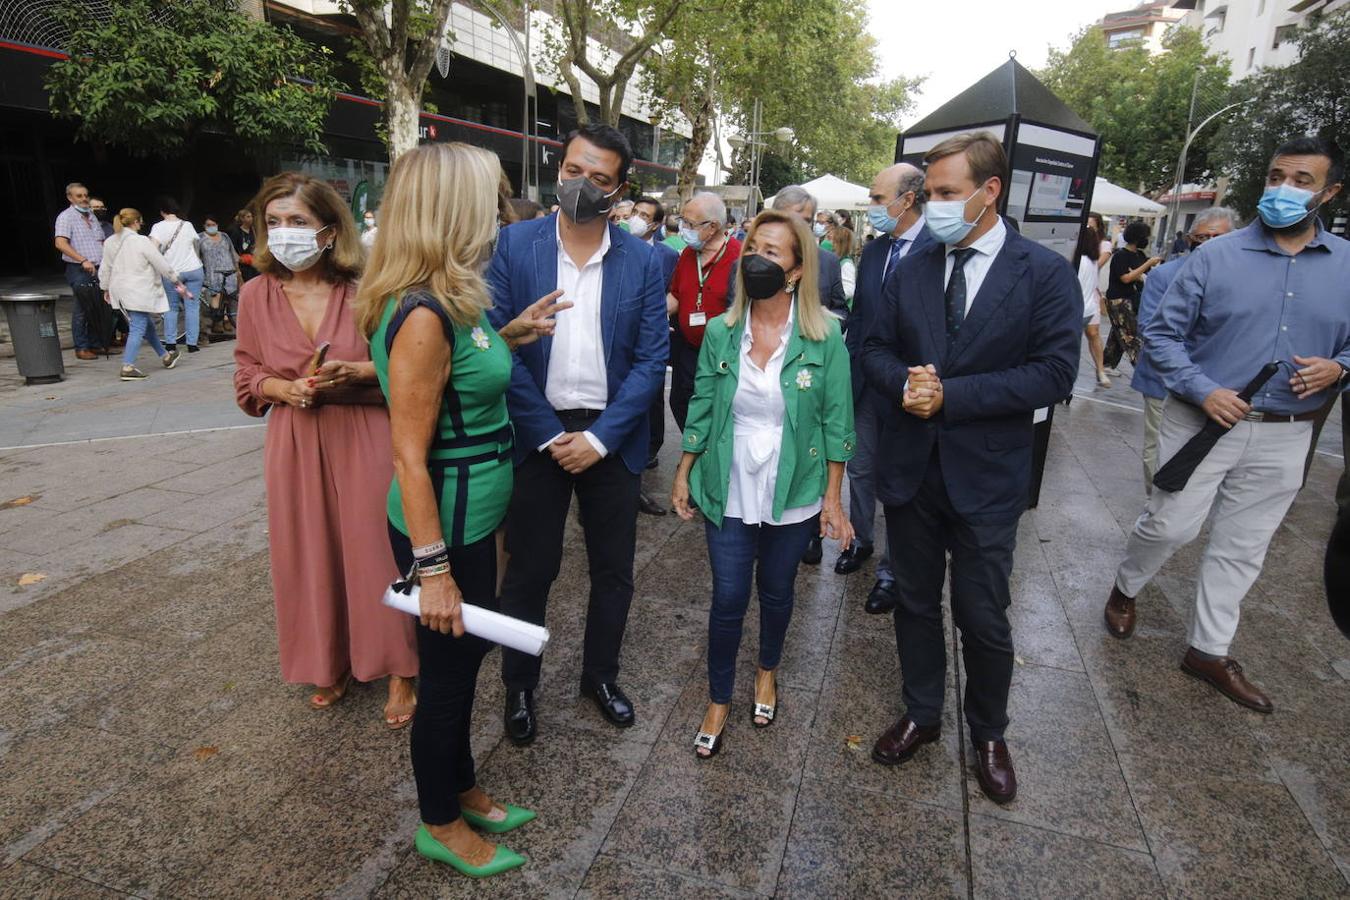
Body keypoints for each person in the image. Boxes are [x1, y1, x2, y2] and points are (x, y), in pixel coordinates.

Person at [357, 143, 570, 879]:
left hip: (473, 517)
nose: (499, 212)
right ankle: (439, 821)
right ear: (451, 208)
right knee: (446, 680)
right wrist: (434, 571)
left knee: (463, 667)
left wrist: (512, 334)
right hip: (441, 526)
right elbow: (409, 456)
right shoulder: (420, 312)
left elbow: (459, 373)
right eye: (490, 197)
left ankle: (465, 789)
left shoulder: (452, 296)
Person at [862, 132, 1081, 804]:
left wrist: (951, 395)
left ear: (990, 193)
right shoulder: (915, 264)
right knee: (916, 604)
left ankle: (989, 731)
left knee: (983, 614)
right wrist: (904, 383)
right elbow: (871, 344)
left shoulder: (1042, 274)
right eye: (929, 195)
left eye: (948, 194)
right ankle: (922, 714)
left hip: (986, 478)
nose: (934, 207)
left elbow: (1054, 372)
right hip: (911, 470)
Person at [1104, 137, 1348, 714]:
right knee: (1170, 526)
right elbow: (1159, 336)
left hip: (1289, 430)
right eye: (1276, 175)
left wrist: (1340, 365)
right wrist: (1204, 389)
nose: (1284, 189)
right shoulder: (1216, 257)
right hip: (1203, 424)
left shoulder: (1346, 265)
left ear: (1330, 192)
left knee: (1243, 546)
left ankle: (1208, 651)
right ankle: (1126, 586)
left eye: (1302, 180)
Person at [487, 124, 669, 745]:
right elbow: (499, 344)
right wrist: (544, 431)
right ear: (557, 168)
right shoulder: (513, 246)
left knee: (613, 569)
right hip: (537, 432)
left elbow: (651, 361)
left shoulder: (643, 259)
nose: (580, 185)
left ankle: (601, 676)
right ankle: (519, 685)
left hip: (610, 436)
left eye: (598, 178)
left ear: (618, 189)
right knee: (530, 570)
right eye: (572, 170)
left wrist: (600, 439)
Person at [232, 171, 418, 728]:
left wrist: (355, 374)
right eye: (274, 223)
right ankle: (327, 660)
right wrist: (279, 387)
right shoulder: (255, 294)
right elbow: (246, 370)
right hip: (294, 437)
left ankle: (400, 667)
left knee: (374, 550)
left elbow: (407, 370)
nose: (283, 233)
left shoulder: (369, 290)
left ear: (330, 230)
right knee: (307, 550)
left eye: (297, 222)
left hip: (363, 430)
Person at [672, 209, 855, 757]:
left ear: (797, 270)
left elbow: (837, 422)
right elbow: (701, 405)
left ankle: (768, 670)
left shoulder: (826, 339)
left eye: (772, 252)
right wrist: (683, 471)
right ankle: (719, 697)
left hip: (794, 482)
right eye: (753, 246)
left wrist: (832, 498)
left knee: (777, 591)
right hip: (726, 478)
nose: (756, 259)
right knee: (728, 595)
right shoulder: (724, 332)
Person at [842, 162, 931, 613]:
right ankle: (859, 541)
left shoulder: (939, 249)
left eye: (878, 199)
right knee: (859, 469)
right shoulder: (875, 251)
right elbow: (860, 319)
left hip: (909, 390)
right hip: (864, 386)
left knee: (898, 481)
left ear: (907, 199)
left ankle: (893, 572)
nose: (872, 206)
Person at [1131, 207, 1241, 489]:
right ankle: (1154, 503)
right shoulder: (1165, 275)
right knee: (1158, 448)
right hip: (1165, 380)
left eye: (1216, 236)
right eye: (1200, 237)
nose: (1207, 243)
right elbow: (1149, 327)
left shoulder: (1246, 278)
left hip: (1223, 385)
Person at [770, 186, 851, 564]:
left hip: (811, 369)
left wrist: (822, 326)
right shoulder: (754, 256)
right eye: (796, 217)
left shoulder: (827, 260)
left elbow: (839, 306)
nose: (804, 225)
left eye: (808, 218)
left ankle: (810, 532)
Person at [667, 192, 742, 432]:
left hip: (723, 352)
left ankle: (708, 460)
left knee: (715, 411)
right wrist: (650, 316)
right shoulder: (689, 254)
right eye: (683, 221)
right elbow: (676, 295)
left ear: (713, 227)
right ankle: (694, 453)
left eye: (690, 224)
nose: (683, 229)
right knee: (680, 401)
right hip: (688, 349)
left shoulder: (739, 256)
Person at [629, 195, 680, 514]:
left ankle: (648, 453)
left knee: (650, 400)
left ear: (657, 224)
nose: (636, 218)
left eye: (644, 215)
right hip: (620, 343)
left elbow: (674, 294)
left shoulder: (667, 256)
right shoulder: (615, 244)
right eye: (635, 211)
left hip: (652, 341)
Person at [98, 208, 186, 380]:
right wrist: (175, 279)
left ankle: (166, 356)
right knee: (138, 326)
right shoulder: (141, 241)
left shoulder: (109, 241)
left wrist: (105, 288)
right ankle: (128, 366)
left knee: (146, 324)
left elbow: (105, 267)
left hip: (119, 290)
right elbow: (160, 262)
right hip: (138, 289)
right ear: (136, 222)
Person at [53, 181, 105, 360]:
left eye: (85, 195)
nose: (84, 199)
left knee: (96, 306)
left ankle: (95, 344)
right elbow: (60, 243)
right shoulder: (66, 217)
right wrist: (82, 259)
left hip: (97, 266)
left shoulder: (91, 215)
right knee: (82, 308)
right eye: (79, 196)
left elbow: (100, 240)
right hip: (79, 268)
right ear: (70, 197)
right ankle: (81, 347)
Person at [1102, 221, 1161, 374]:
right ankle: (1143, 370)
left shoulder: (1139, 255)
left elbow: (1143, 276)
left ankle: (1106, 365)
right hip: (1118, 300)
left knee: (1117, 334)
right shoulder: (1120, 256)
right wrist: (1145, 266)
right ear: (1138, 237)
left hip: (1133, 299)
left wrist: (1140, 273)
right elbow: (1126, 278)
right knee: (1131, 335)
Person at [149, 197, 205, 353]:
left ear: (162, 211)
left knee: (171, 308)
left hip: (172, 273)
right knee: (192, 307)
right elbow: (195, 246)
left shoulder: (158, 227)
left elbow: (152, 250)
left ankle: (171, 343)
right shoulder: (187, 225)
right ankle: (192, 344)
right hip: (194, 269)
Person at [1074, 224, 1109, 388]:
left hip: (1077, 309)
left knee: (1069, 348)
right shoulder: (1092, 261)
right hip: (1089, 309)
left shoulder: (1079, 262)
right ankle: (1100, 371)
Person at [196, 214, 242, 337]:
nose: (211, 227)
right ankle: (215, 324)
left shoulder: (225, 237)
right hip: (212, 274)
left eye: (213, 224)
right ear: (204, 226)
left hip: (229, 271)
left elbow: (232, 253)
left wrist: (238, 270)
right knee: (214, 300)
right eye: (208, 225)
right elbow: (197, 257)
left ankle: (226, 321)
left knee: (229, 298)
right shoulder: (200, 238)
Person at [228, 209, 259, 282]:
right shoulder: (236, 232)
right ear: (242, 219)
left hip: (254, 261)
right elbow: (232, 248)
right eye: (248, 217)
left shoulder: (253, 230)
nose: (251, 218)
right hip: (244, 264)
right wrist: (239, 259)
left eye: (251, 216)